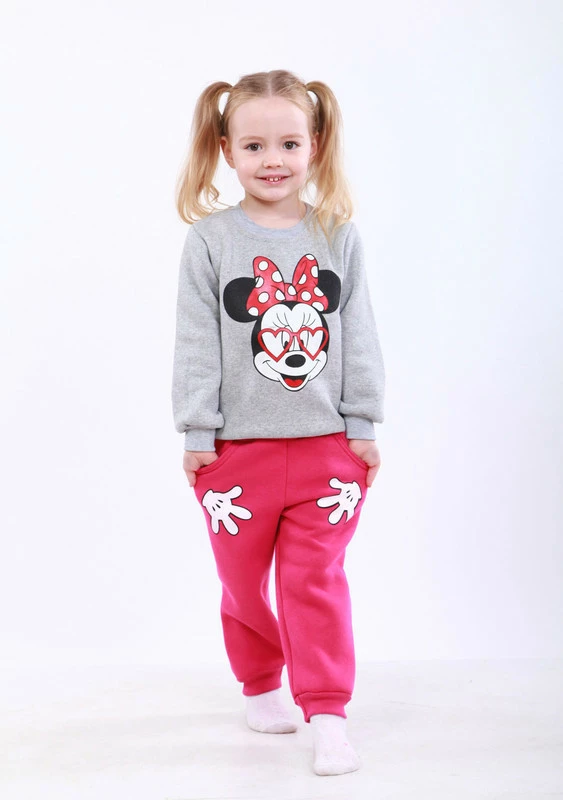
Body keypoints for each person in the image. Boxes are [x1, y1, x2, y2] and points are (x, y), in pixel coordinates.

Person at [171, 69, 385, 777]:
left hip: (327, 453)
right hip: (236, 458)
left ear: (314, 145)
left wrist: (363, 425)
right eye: (255, 145)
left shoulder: (336, 235)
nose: (273, 160)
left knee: (314, 580)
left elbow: (359, 336)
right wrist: (197, 432)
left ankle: (328, 713)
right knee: (241, 585)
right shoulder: (210, 241)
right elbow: (197, 342)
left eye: (289, 143)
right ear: (226, 150)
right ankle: (261, 684)